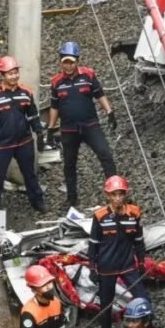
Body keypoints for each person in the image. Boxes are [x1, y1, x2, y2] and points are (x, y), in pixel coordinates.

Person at [48, 42, 118, 207]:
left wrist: (110, 112)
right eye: (65, 62)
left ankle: (115, 191)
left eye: (71, 62)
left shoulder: (88, 75)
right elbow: (54, 106)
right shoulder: (56, 82)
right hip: (69, 129)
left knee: (106, 155)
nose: (68, 65)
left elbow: (99, 94)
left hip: (90, 125)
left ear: (77, 61)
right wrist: (51, 129)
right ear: (60, 62)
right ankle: (72, 199)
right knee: (69, 164)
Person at [0, 56, 46, 225]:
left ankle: (37, 201)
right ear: (2, 75)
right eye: (10, 73)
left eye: (16, 72)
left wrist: (39, 134)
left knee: (30, 174)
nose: (14, 76)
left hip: (24, 142)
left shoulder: (26, 92)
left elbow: (33, 116)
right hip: (2, 145)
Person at [89, 175, 148, 328]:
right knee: (106, 303)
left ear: (125, 194)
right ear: (108, 195)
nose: (117, 198)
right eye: (113, 194)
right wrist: (93, 267)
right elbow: (93, 244)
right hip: (106, 267)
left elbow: (139, 240)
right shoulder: (99, 217)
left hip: (128, 265)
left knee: (143, 297)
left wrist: (142, 261)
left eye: (120, 194)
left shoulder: (134, 213)